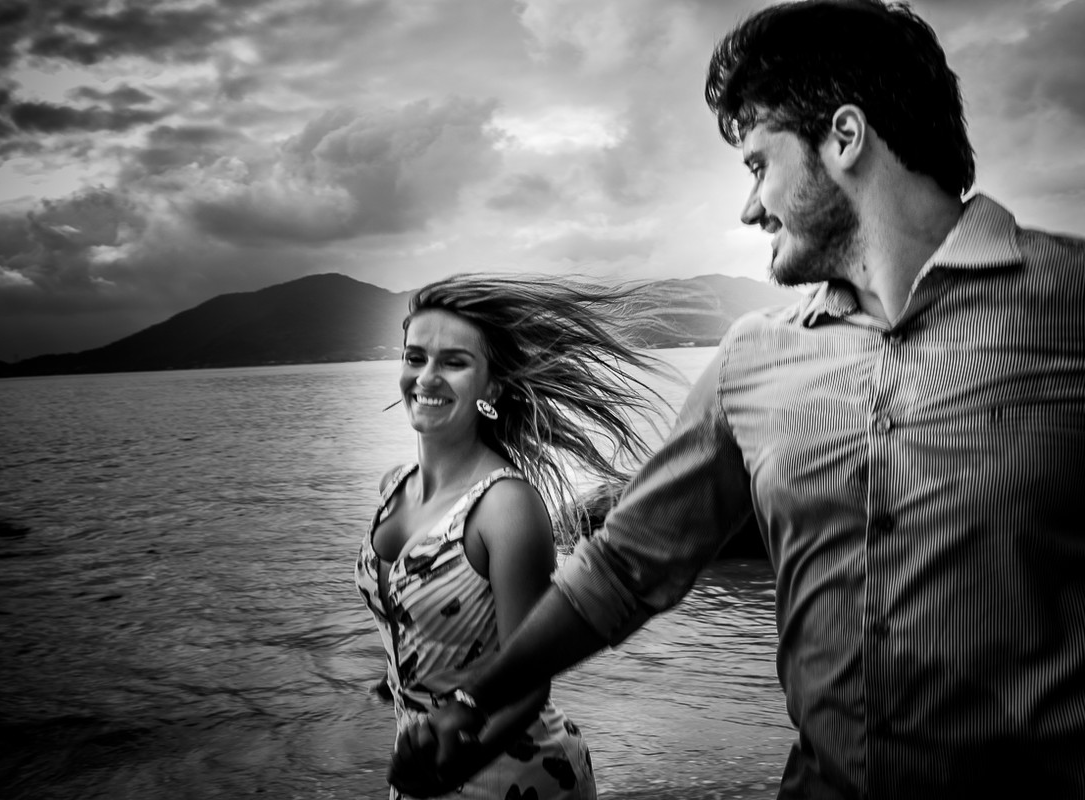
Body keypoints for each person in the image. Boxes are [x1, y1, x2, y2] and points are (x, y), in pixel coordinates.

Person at [388, 2, 1085, 799]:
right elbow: (621, 566)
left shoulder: (1071, 303)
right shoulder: (752, 356)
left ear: (845, 139)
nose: (749, 207)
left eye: (759, 164)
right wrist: (477, 698)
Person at [355, 275, 673, 799]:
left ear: (492, 387)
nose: (426, 378)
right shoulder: (394, 487)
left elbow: (531, 680)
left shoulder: (505, 505)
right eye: (415, 358)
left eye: (453, 363)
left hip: (508, 770)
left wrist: (448, 773)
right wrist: (397, 683)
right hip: (421, 764)